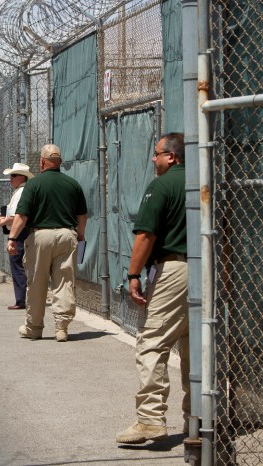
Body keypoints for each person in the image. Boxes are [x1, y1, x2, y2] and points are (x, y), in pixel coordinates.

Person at [116, 132, 189, 444]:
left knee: (151, 342)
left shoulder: (162, 185)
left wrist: (133, 274)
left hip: (173, 269)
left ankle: (150, 419)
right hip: (206, 266)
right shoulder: (205, 179)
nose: (153, 159)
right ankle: (200, 417)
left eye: (157, 153)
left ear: (171, 156)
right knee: (193, 343)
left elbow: (145, 236)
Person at [6, 144, 87, 342]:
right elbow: (82, 215)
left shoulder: (34, 185)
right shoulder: (72, 184)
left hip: (41, 236)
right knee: (64, 281)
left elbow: (22, 215)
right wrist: (81, 235)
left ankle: (34, 327)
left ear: (42, 162)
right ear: (59, 162)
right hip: (67, 235)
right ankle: (62, 328)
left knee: (37, 282)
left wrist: (12, 238)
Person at [0, 163, 34, 311]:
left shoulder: (21, 192)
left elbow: (19, 217)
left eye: (13, 176)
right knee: (22, 265)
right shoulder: (21, 191)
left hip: (19, 233)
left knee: (17, 265)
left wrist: (5, 220)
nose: (10, 179)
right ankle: (25, 298)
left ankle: (21, 300)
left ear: (22, 177)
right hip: (22, 232)